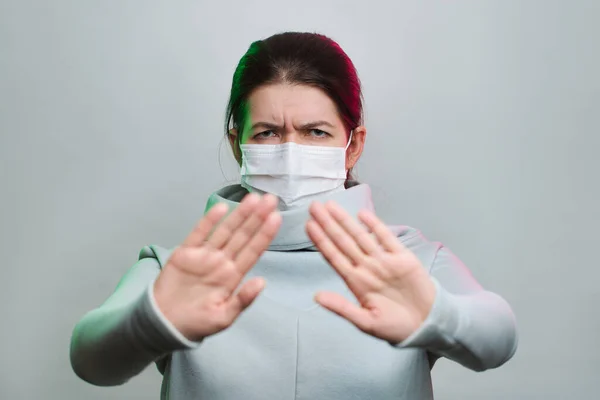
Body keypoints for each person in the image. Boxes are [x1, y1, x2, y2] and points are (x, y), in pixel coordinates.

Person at [69, 32, 518, 400]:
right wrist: (151, 320)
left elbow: (498, 338)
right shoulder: (183, 273)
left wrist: (441, 317)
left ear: (353, 145)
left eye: (315, 132)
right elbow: (90, 360)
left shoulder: (405, 265)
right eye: (267, 132)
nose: (290, 150)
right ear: (237, 143)